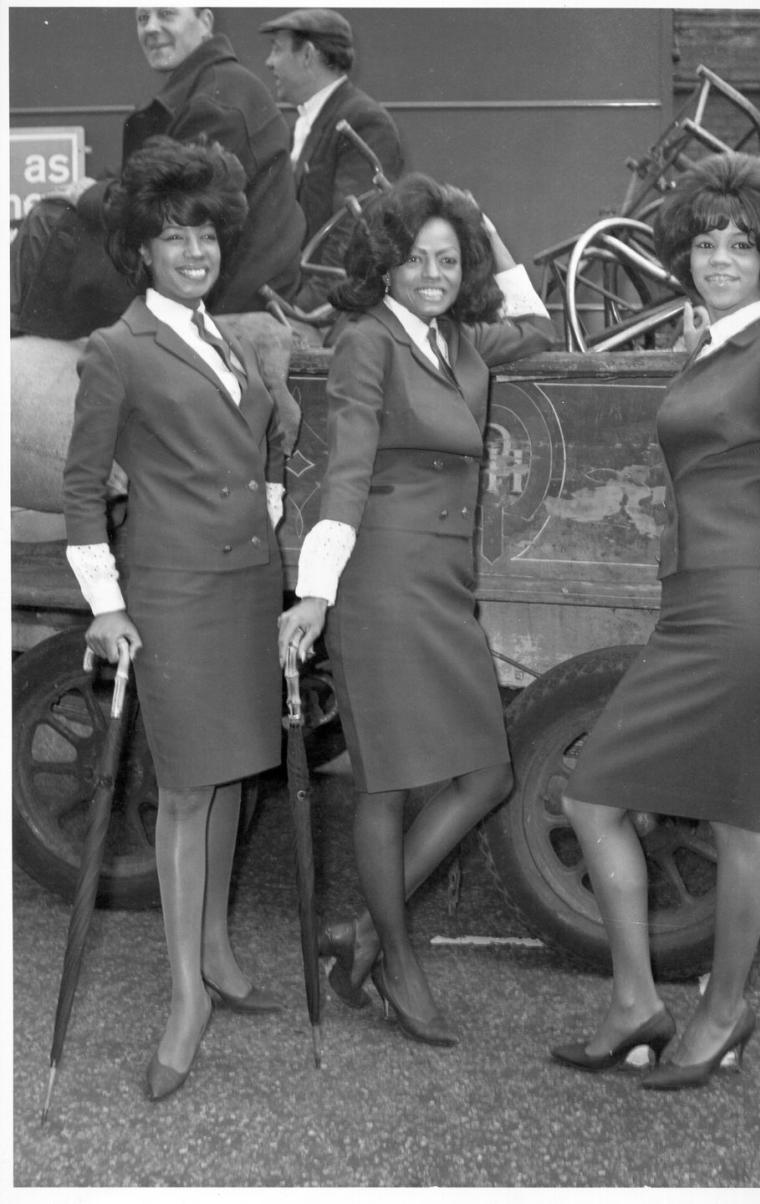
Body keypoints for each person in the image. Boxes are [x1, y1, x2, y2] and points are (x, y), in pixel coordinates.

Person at [549, 152, 760, 1089]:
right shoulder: (714, 346)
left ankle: (721, 1011)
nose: (722, 258)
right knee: (593, 792)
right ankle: (636, 1002)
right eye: (708, 242)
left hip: (752, 611)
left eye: (743, 245)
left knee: (737, 819)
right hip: (694, 609)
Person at [277, 174, 554, 1046]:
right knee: (387, 781)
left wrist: (488, 227)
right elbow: (347, 467)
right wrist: (316, 592)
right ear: (383, 267)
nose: (432, 272)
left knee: (488, 774)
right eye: (414, 258)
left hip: (443, 587)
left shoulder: (461, 339)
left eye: (448, 258)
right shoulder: (368, 342)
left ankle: (361, 935)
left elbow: (541, 326)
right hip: (381, 580)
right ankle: (396, 961)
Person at [62, 136, 288, 1102]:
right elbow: (81, 489)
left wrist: (268, 513)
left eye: (204, 231)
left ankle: (223, 954)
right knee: (191, 790)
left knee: (236, 771)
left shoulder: (224, 335)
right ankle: (185, 996)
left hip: (245, 587)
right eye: (172, 235)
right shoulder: (119, 350)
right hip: (175, 599)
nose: (193, 249)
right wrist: (107, 608)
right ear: (140, 250)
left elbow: (261, 443)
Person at [13, 7, 304, 336]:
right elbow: (145, 176)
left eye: (166, 14)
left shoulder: (215, 102)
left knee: (50, 220)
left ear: (205, 22)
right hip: (214, 270)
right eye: (142, 19)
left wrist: (88, 194)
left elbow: (170, 208)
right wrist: (89, 188)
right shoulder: (213, 86)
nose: (151, 28)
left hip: (227, 292)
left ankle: (19, 336)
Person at [261, 8, 404, 312]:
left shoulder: (364, 121)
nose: (269, 62)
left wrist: (305, 312)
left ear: (308, 55)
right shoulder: (304, 122)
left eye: (277, 49)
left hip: (327, 313)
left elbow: (351, 232)